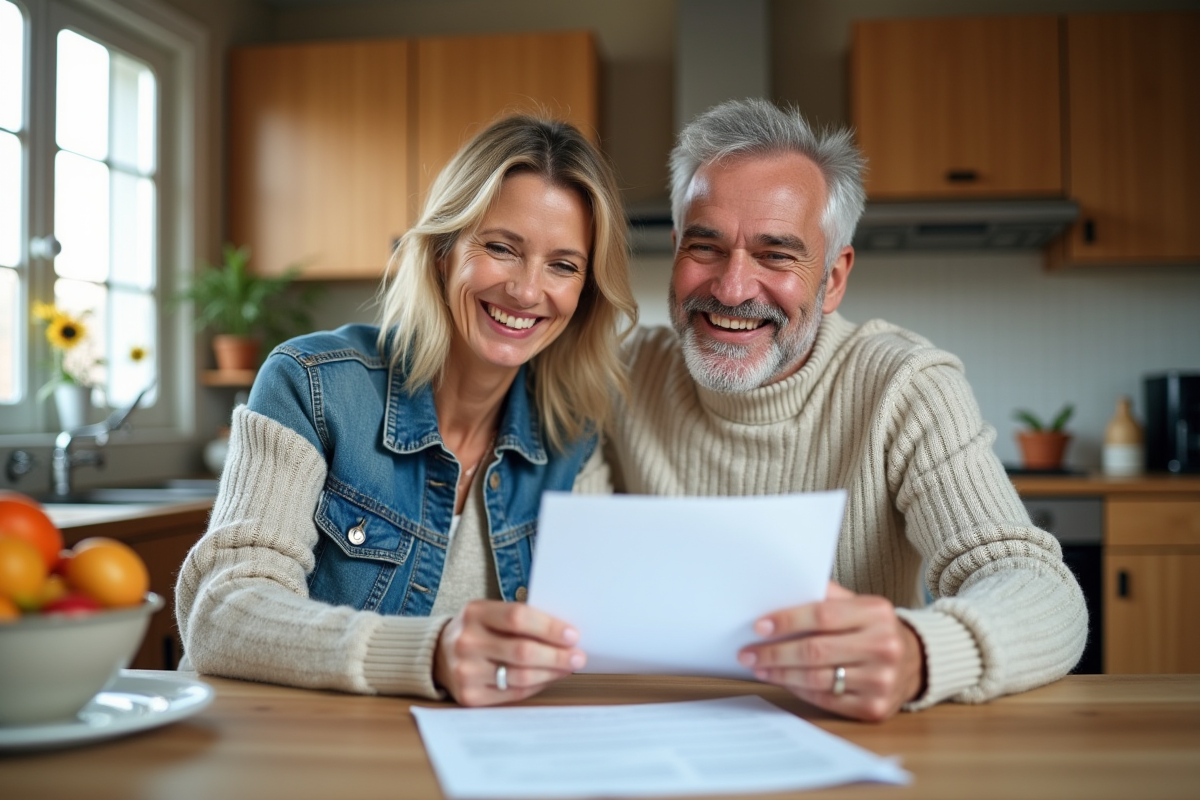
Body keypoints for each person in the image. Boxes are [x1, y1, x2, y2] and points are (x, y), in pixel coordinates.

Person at [605, 99, 1088, 722]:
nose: (731, 288)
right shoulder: (619, 372)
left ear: (833, 277)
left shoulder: (905, 386)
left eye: (777, 255)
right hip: (653, 724)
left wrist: (920, 652)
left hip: (845, 731)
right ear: (676, 251)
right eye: (706, 247)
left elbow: (1040, 587)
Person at [176, 115, 637, 706]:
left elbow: (589, 630)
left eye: (563, 266)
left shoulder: (572, 437)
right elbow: (224, 612)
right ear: (444, 251)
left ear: (584, 292)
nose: (527, 291)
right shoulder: (310, 385)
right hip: (293, 749)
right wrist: (431, 652)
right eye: (501, 248)